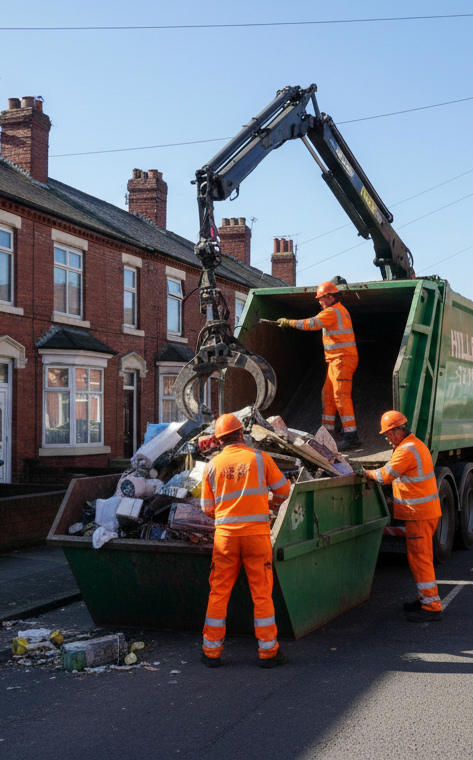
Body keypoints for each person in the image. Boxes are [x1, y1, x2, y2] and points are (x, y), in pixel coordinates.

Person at [199, 413, 292, 669]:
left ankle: (211, 652)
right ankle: (268, 652)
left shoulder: (212, 466)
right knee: (262, 594)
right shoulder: (260, 459)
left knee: (218, 593)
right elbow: (284, 492)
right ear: (241, 434)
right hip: (256, 536)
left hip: (225, 538)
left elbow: (207, 508)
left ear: (218, 441)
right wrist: (266, 502)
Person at [364, 410, 442, 623]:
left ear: (399, 430)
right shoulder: (414, 444)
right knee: (419, 558)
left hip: (420, 515)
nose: (387, 438)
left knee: (421, 559)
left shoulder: (406, 450)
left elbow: (385, 476)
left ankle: (432, 606)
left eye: (388, 433)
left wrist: (364, 472)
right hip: (424, 513)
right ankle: (424, 598)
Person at [270, 280, 361, 451]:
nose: (320, 302)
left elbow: (312, 324)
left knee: (340, 395)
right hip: (337, 360)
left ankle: (351, 436)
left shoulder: (333, 311)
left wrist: (288, 322)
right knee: (328, 394)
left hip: (342, 359)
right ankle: (327, 434)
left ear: (331, 297)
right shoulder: (337, 311)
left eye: (321, 298)